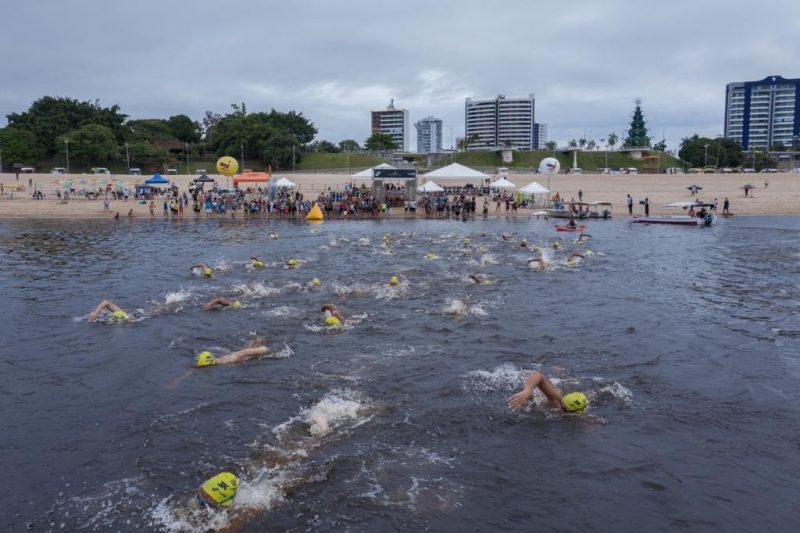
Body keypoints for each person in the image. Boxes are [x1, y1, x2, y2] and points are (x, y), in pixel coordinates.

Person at [507, 371, 588, 413]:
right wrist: (527, 391)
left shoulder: (581, 413)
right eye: (563, 406)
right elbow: (537, 375)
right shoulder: (557, 400)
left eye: (565, 410)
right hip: (540, 387)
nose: (560, 408)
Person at [195, 337, 270, 367]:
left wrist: (262, 350)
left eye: (251, 343)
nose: (249, 343)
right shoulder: (226, 360)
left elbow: (244, 352)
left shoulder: (231, 359)